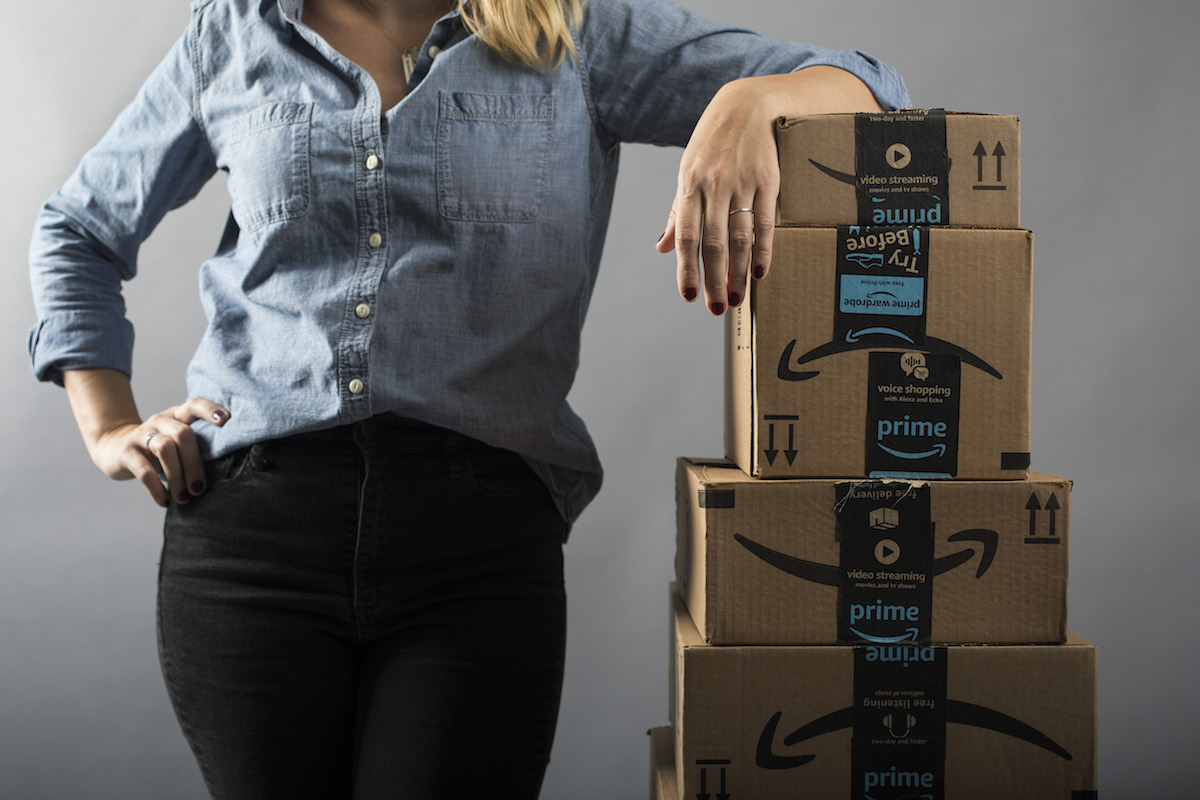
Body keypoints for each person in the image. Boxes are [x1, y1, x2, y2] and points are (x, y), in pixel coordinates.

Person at [27, 0, 909, 797]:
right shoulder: (235, 31)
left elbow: (875, 88)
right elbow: (77, 227)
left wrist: (748, 103)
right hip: (249, 542)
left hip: (477, 553)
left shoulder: (577, 33)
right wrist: (108, 426)